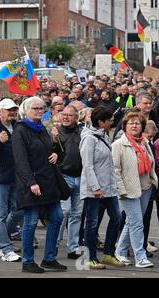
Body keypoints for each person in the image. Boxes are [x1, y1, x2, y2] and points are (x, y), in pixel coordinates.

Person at [12, 97, 66, 274]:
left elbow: (49, 151)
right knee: (31, 221)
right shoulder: (20, 131)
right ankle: (28, 261)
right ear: (25, 110)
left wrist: (56, 152)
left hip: (48, 180)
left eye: (42, 108)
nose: (39, 110)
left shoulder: (43, 128)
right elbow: (21, 161)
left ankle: (49, 258)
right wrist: (31, 183)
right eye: (35, 108)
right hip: (32, 183)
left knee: (57, 216)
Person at [80, 106, 124, 269]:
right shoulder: (88, 139)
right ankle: (91, 257)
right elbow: (88, 166)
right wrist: (95, 187)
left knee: (117, 218)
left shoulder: (104, 135)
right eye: (109, 120)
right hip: (94, 190)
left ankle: (108, 253)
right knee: (92, 223)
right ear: (100, 122)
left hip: (109, 187)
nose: (112, 122)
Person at [113, 112, 157, 268]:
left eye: (137, 123)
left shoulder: (144, 142)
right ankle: (140, 257)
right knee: (138, 223)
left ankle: (119, 252)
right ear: (125, 125)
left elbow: (151, 164)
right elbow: (115, 170)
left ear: (142, 126)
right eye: (130, 123)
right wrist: (121, 189)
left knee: (131, 222)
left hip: (145, 187)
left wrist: (153, 181)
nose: (134, 125)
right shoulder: (118, 144)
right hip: (128, 190)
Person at [0, 99, 22, 263]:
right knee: (0, 213)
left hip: (16, 175)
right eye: (9, 110)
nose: (12, 113)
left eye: (14, 110)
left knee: (19, 209)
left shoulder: (17, 126)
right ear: (0, 111)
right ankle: (5, 248)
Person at [51, 105, 83, 259]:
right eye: (63, 114)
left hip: (81, 176)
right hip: (64, 176)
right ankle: (54, 244)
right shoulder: (56, 132)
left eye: (69, 115)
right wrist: (54, 140)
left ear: (76, 118)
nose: (65, 117)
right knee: (64, 211)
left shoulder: (82, 132)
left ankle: (73, 247)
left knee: (77, 214)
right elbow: (50, 152)